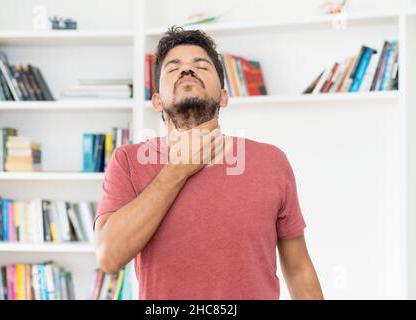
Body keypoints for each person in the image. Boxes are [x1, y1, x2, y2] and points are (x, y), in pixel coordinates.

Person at [94, 26, 323, 300]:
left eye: (200, 65)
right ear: (156, 101)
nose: (187, 71)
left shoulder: (272, 161)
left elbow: (298, 270)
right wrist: (179, 168)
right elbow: (109, 256)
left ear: (223, 96)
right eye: (173, 67)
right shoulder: (128, 161)